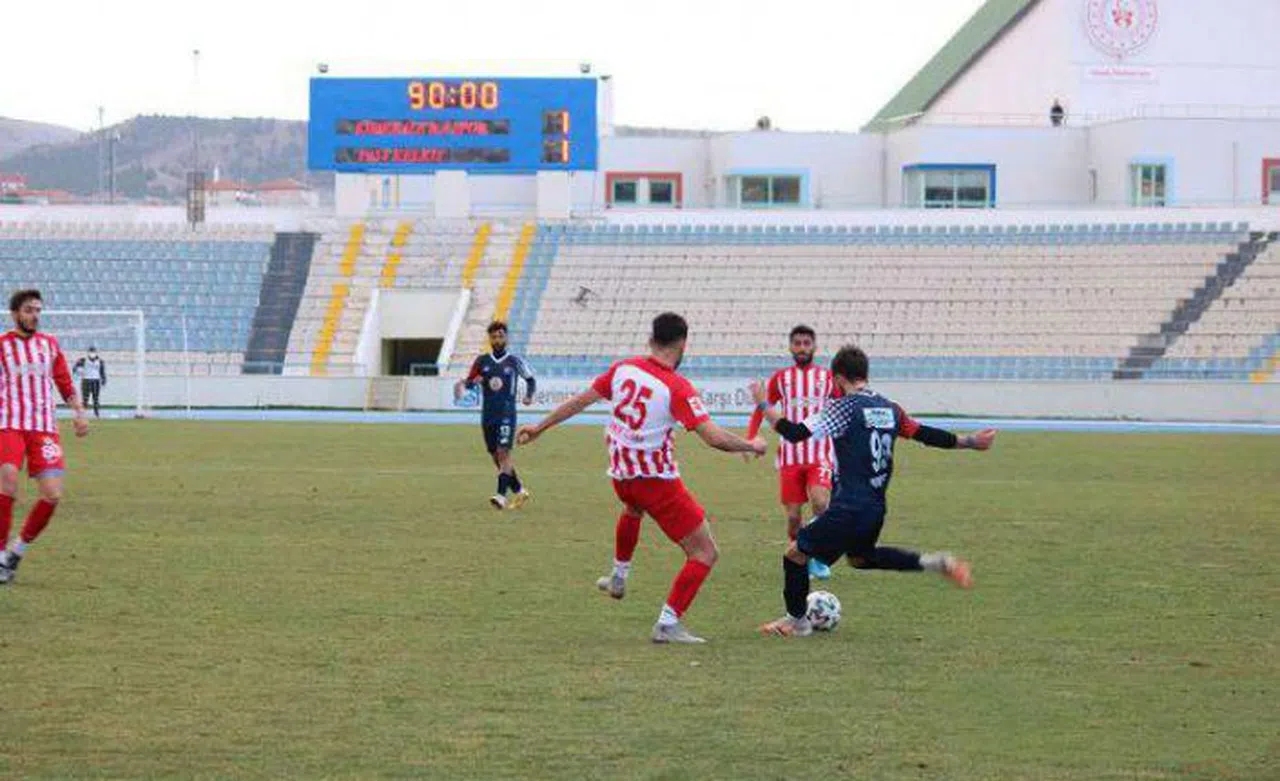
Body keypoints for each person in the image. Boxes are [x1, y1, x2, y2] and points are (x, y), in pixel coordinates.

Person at [517, 313, 766, 644]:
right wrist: (751, 444)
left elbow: (580, 401)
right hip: (656, 482)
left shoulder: (624, 368)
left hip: (622, 476)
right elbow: (712, 437)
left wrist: (539, 427)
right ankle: (667, 624)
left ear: (652, 339)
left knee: (632, 510)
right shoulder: (676, 386)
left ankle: (618, 577)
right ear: (681, 344)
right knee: (705, 553)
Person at [753, 345, 995, 637]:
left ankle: (798, 622)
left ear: (838, 378)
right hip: (875, 508)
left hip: (848, 507)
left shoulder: (843, 407)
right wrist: (969, 441)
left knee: (795, 555)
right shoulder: (889, 408)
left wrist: (764, 405)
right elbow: (924, 434)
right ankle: (936, 562)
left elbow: (795, 433)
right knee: (860, 558)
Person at [0, 290, 90, 585]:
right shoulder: (2, 346)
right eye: (29, 310)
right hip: (9, 424)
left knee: (52, 495)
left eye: (38, 310)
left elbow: (64, 380)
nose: (34, 315)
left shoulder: (49, 345)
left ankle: (16, 551)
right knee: (8, 480)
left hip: (43, 427)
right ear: (15, 313)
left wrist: (78, 412)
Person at [745, 325, 840, 580]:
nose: (801, 348)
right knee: (793, 518)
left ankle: (818, 556)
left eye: (806, 343)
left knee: (821, 503)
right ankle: (801, 556)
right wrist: (752, 435)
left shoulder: (828, 378)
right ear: (790, 347)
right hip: (790, 457)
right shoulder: (781, 379)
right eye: (797, 343)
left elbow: (844, 406)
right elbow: (761, 408)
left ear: (814, 347)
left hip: (820, 453)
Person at [454, 321, 536, 510]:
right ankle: (520, 490)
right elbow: (469, 383)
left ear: (506, 337)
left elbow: (530, 380)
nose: (497, 339)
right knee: (495, 456)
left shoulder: (514, 361)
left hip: (507, 413)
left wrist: (529, 396)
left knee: (503, 452)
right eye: (494, 336)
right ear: (489, 339)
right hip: (488, 414)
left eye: (500, 336)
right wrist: (473, 381)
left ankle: (500, 496)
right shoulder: (481, 361)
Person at [73, 345, 107, 418]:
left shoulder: (100, 361)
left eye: (93, 352)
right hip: (86, 380)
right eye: (91, 352)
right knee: (85, 398)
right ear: (88, 353)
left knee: (96, 398)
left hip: (96, 380)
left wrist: (103, 380)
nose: (92, 354)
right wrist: (78, 371)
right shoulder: (83, 360)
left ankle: (97, 413)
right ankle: (82, 414)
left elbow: (102, 372)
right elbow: (75, 368)